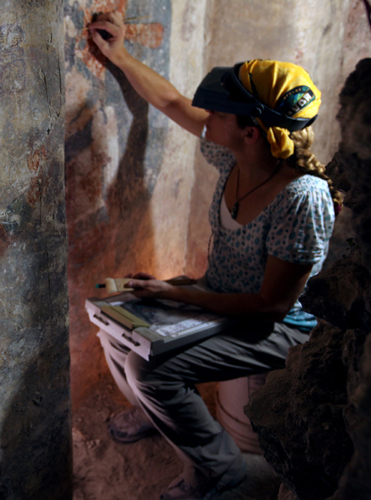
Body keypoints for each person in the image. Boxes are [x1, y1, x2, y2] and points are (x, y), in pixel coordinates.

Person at [88, 12, 340, 500]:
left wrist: (177, 292)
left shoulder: (301, 197)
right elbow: (170, 101)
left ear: (251, 132)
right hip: (221, 295)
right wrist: (117, 54)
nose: (210, 118)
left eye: (223, 112)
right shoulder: (234, 154)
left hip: (277, 326)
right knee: (115, 327)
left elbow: (272, 306)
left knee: (149, 367)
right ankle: (154, 410)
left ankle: (220, 473)